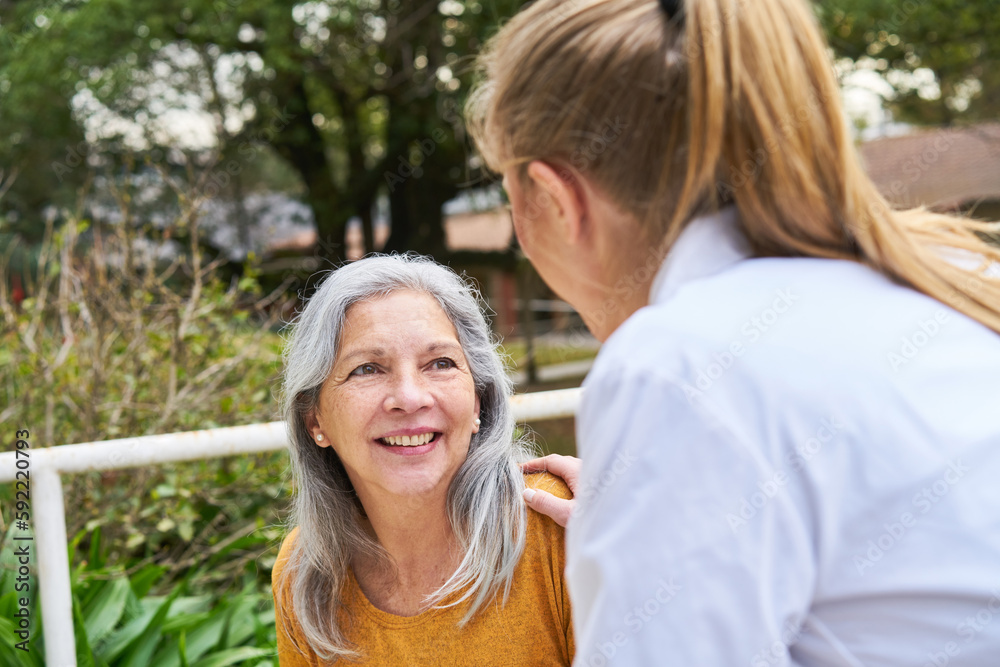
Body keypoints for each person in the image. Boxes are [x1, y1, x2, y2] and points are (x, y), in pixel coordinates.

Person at [466, 0, 1000, 664]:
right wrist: (650, 541)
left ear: (553, 196)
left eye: (506, 189)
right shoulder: (956, 279)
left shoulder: (680, 366)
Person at [272, 254, 574, 665]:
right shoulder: (306, 570)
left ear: (478, 402)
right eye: (367, 369)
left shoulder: (560, 526)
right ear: (315, 419)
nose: (410, 398)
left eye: (440, 363)